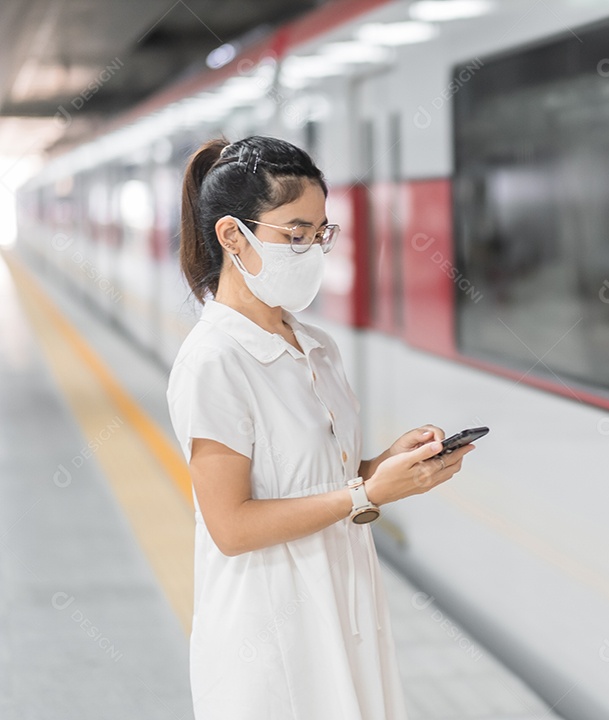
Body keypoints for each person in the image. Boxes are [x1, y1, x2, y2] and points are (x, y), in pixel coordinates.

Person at [166, 135, 474, 719]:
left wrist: (384, 467)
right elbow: (229, 525)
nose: (312, 249)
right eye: (296, 233)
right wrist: (364, 493)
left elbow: (316, 479)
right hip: (268, 635)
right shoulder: (213, 361)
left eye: (321, 232)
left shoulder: (316, 348)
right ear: (233, 236)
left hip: (344, 607)